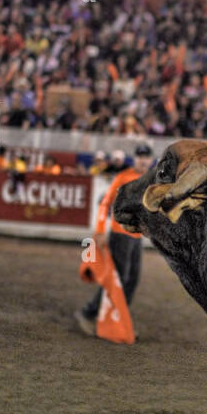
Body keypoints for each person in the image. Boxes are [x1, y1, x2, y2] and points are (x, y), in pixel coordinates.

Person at [75, 144, 153, 337]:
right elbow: (105, 203)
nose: (143, 160)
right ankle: (88, 313)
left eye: (146, 156)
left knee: (131, 280)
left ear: (151, 160)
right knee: (117, 279)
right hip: (120, 234)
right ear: (134, 159)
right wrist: (101, 229)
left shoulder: (151, 180)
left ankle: (118, 318)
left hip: (136, 237)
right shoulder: (123, 177)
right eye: (139, 156)